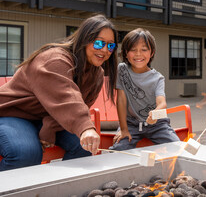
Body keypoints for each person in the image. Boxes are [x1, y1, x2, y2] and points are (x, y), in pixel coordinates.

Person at [0, 14, 118, 171]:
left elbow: (67, 109)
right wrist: (86, 128)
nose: (104, 50)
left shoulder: (96, 74)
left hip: (43, 117)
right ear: (84, 39)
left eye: (110, 46)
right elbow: (67, 99)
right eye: (98, 43)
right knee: (26, 153)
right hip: (12, 114)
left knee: (84, 146)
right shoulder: (55, 59)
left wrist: (48, 131)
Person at [110, 28, 179, 150]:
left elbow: (162, 103)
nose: (138, 54)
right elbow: (121, 101)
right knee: (119, 149)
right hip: (131, 124)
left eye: (144, 49)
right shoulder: (122, 70)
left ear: (151, 53)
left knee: (176, 147)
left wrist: (155, 114)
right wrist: (124, 129)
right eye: (133, 50)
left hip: (157, 125)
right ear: (125, 52)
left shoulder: (158, 78)